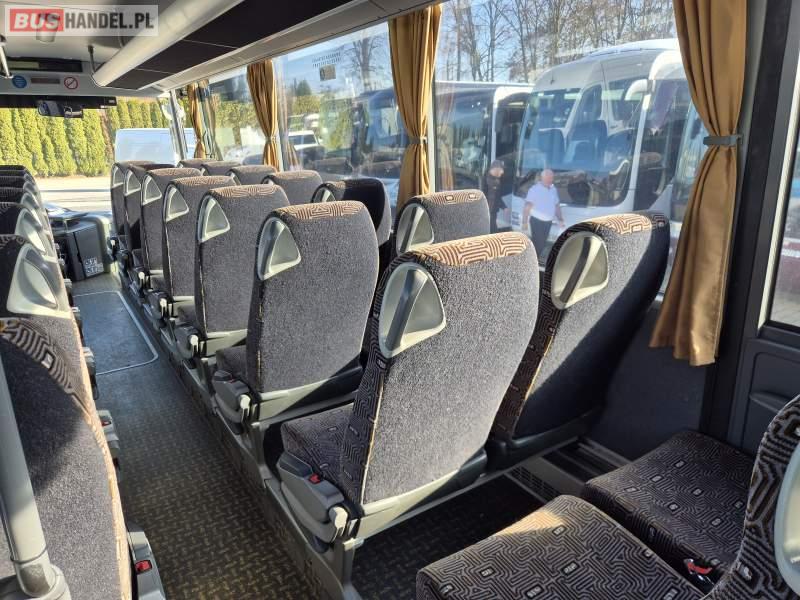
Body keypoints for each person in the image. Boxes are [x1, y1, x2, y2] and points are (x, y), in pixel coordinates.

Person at [522, 168, 565, 257]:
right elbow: (527, 206)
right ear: (543, 178)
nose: (551, 179)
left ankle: (530, 258)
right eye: (549, 177)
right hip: (537, 222)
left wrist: (560, 219)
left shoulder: (553, 189)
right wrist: (524, 222)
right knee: (539, 244)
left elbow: (557, 205)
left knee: (541, 244)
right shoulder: (534, 189)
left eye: (552, 177)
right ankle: (530, 260)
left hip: (548, 222)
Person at [484, 160, 508, 233]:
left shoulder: (497, 181)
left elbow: (498, 197)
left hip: (493, 212)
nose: (503, 172)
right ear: (496, 168)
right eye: (501, 170)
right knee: (491, 232)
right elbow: (481, 197)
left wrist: (504, 207)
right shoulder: (484, 180)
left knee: (493, 231)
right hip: (485, 212)